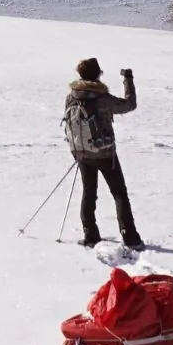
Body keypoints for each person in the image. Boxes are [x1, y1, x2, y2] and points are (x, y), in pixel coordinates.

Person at [64, 58, 143, 249]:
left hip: (82, 152)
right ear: (97, 74)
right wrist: (128, 79)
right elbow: (130, 104)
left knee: (89, 192)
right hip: (106, 153)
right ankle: (130, 236)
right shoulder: (103, 98)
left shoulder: (72, 96)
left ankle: (91, 235)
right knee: (119, 193)